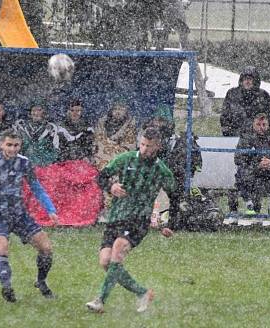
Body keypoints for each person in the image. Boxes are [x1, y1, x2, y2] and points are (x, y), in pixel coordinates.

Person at [85, 127, 175, 314]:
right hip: (116, 217)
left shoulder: (161, 170)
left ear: (157, 146)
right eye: (142, 144)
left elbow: (174, 196)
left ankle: (100, 300)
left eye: (148, 146)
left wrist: (167, 224)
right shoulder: (126, 159)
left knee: (118, 249)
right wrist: (111, 186)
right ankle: (143, 292)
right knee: (105, 262)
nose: (144, 149)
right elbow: (100, 177)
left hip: (138, 220)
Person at [0, 130, 59, 302]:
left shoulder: (24, 163)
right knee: (1, 249)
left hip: (19, 214)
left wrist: (50, 209)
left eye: (16, 145)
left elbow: (36, 188)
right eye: (9, 145)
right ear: (1, 144)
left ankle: (41, 282)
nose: (12, 148)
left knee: (46, 248)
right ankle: (7, 287)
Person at [220, 66, 270, 223]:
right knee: (234, 174)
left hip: (258, 142)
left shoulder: (263, 96)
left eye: (251, 78)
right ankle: (233, 211)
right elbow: (224, 117)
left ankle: (256, 211)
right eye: (245, 78)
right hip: (235, 139)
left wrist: (263, 136)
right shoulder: (232, 94)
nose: (248, 81)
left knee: (257, 175)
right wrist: (230, 134)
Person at [142, 104, 202, 230]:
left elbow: (181, 166)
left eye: (163, 121)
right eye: (157, 120)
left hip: (170, 177)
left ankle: (167, 218)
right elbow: (142, 158)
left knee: (172, 189)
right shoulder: (147, 137)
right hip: (151, 176)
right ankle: (150, 217)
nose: (159, 124)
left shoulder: (177, 141)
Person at [233, 113, 270, 218]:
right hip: (252, 175)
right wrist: (257, 165)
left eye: (264, 124)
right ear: (253, 124)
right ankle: (249, 204)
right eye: (258, 124)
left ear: (268, 125)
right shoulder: (245, 140)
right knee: (241, 171)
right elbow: (238, 159)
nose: (261, 127)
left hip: (269, 175)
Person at [93, 99, 137, 170]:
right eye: (116, 109)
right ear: (111, 110)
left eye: (121, 109)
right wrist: (107, 145)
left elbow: (129, 145)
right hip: (102, 152)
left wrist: (112, 148)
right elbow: (98, 140)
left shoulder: (130, 125)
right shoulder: (102, 122)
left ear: (125, 111)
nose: (118, 112)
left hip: (119, 154)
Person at [13, 102, 60, 167]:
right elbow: (15, 147)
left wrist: (44, 162)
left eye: (39, 110)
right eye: (33, 110)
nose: (36, 113)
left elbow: (55, 150)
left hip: (44, 167)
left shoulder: (51, 128)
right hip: (24, 166)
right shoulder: (22, 127)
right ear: (30, 113)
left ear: (44, 111)